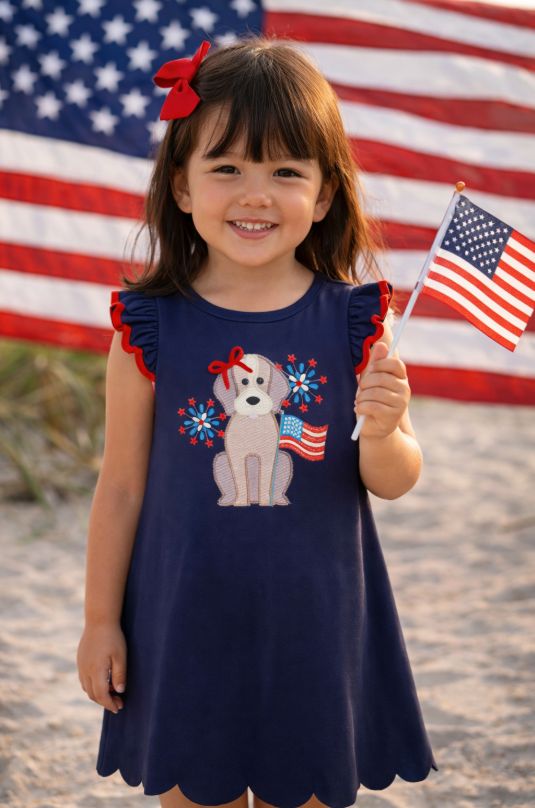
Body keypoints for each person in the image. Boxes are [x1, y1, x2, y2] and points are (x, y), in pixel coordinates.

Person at [76, 34, 438, 808]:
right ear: (180, 187)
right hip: (182, 621)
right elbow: (121, 490)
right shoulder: (147, 326)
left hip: (317, 621)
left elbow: (393, 479)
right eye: (226, 167)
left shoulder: (353, 320)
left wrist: (385, 430)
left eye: (285, 171)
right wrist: (101, 621)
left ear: (325, 193)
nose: (255, 194)